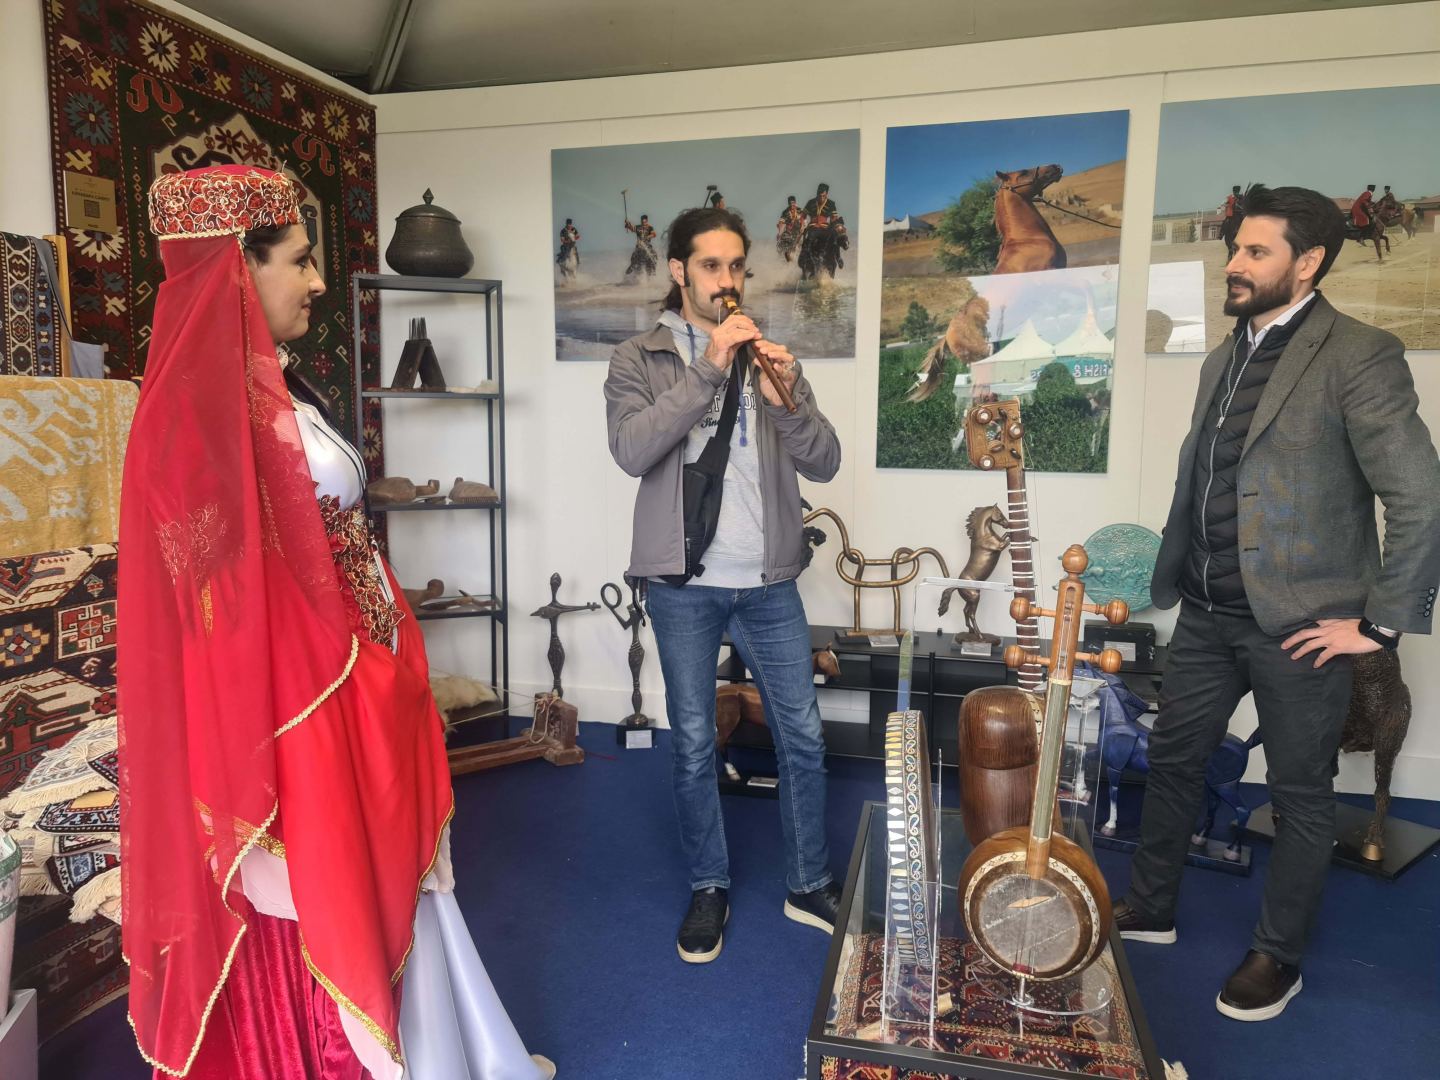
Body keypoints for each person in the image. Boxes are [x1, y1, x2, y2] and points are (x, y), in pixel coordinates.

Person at [120, 165, 554, 1080]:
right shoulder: (195, 418)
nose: (318, 282)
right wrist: (346, 678)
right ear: (238, 270)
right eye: (299, 260)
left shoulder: (274, 387)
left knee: (398, 883)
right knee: (332, 888)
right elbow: (223, 608)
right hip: (303, 706)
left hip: (356, 675)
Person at [1114, 184, 1440, 1022]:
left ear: (1308, 263)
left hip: (1302, 626)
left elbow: (1418, 493)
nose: (1235, 263)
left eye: (1256, 252)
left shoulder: (1360, 353)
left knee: (1298, 792)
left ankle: (1278, 954)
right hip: (1204, 611)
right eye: (1236, 248)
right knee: (1174, 762)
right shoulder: (1224, 356)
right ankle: (1149, 907)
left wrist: (1381, 622)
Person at [603, 206, 843, 964]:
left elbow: (825, 461)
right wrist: (709, 365)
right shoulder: (637, 357)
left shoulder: (768, 356)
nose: (727, 280)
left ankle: (808, 882)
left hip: (769, 584)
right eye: (711, 266)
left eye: (737, 266)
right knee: (693, 743)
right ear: (679, 271)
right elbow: (632, 450)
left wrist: (788, 400)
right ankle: (709, 885)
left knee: (803, 736)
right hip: (683, 585)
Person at [624, 213, 658, 279]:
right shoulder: (638, 227)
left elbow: (654, 234)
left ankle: (653, 273)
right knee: (633, 260)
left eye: (644, 221)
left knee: (653, 257)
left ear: (647, 220)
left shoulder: (650, 227)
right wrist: (628, 224)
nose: (643, 222)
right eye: (642, 221)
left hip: (647, 247)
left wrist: (648, 237)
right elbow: (632, 228)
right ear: (641, 220)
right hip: (639, 247)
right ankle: (628, 273)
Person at [775, 195, 804, 261]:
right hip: (789, 232)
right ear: (788, 204)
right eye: (790, 203)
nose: (791, 205)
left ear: (795, 203)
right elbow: (781, 222)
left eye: (793, 203)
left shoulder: (800, 210)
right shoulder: (785, 212)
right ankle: (782, 258)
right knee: (781, 242)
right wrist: (779, 232)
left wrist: (802, 227)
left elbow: (803, 220)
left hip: (799, 231)